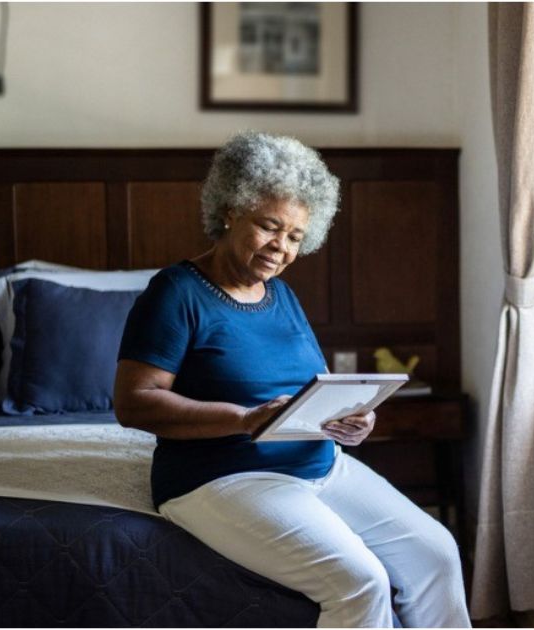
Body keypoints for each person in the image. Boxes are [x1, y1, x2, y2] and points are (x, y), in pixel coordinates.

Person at [113, 131, 470, 628]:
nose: (280, 247)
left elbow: (312, 388)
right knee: (360, 581)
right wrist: (245, 420)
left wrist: (351, 420)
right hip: (221, 478)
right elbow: (134, 403)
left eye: (295, 237)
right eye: (268, 226)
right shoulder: (174, 293)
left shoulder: (280, 295)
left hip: (318, 465)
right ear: (230, 210)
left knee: (437, 553)